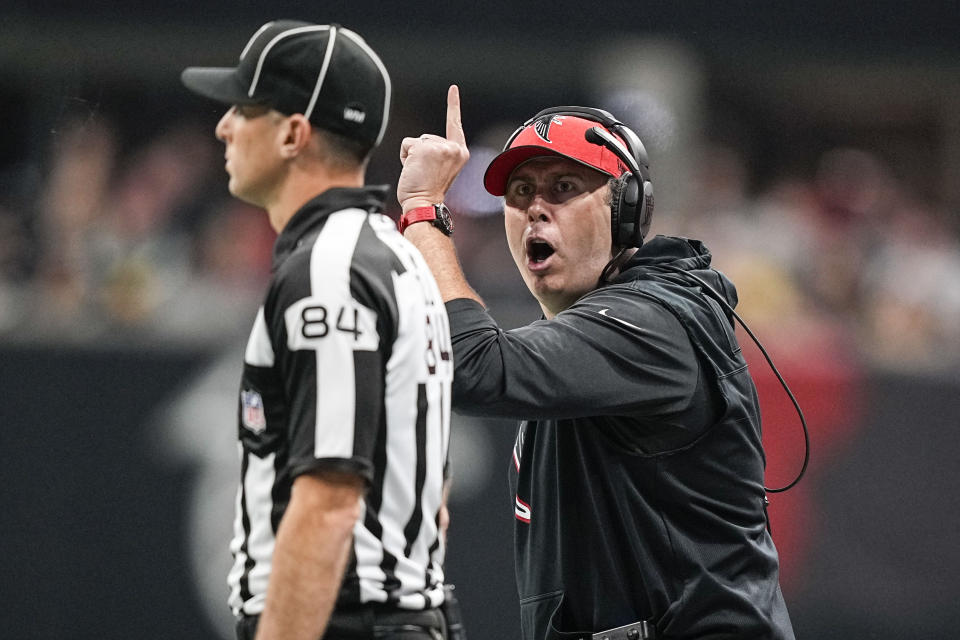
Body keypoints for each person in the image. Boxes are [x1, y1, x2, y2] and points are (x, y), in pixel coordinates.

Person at [395, 86, 795, 639]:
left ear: (626, 209)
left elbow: (471, 368)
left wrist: (421, 209)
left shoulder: (655, 323)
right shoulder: (579, 342)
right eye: (520, 191)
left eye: (564, 187)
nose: (535, 206)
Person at [182, 21, 456, 640]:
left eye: (244, 107)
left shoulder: (329, 270)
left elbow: (329, 503)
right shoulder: (396, 257)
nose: (224, 125)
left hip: (348, 620)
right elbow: (432, 502)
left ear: (292, 133)